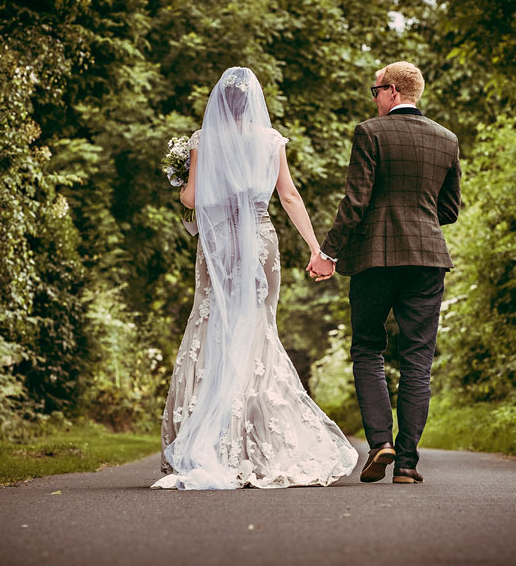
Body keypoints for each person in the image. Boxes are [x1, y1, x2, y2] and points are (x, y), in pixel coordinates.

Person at [152, 67, 358, 490]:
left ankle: (207, 435)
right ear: (252, 103)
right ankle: (258, 441)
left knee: (211, 326)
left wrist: (182, 181)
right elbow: (289, 196)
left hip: (219, 245)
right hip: (261, 241)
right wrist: (316, 248)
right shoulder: (269, 140)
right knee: (258, 330)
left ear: (218, 103)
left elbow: (191, 198)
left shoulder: (202, 141)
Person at [308, 61, 461, 484]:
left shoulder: (370, 133)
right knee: (418, 360)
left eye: (376, 90)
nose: (373, 98)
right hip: (429, 259)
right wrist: (418, 217)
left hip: (376, 258)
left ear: (392, 90)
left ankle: (381, 444)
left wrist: (328, 253)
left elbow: (355, 202)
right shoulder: (447, 140)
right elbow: (449, 209)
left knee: (368, 350)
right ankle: (408, 465)